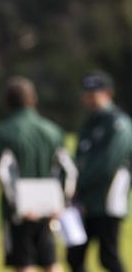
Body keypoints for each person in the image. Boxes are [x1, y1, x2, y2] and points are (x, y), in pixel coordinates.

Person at [0, 77, 73, 272]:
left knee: (23, 263)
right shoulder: (53, 130)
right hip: (49, 205)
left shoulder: (4, 131)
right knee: (50, 260)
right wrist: (61, 203)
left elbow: (4, 172)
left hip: (21, 209)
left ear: (7, 101)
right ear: (33, 98)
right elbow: (69, 170)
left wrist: (18, 205)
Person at [67, 72, 132, 272]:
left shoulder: (117, 123)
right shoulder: (89, 123)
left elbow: (108, 164)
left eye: (94, 93)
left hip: (106, 201)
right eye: (86, 93)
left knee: (108, 256)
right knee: (75, 255)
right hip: (84, 203)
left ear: (107, 94)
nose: (88, 98)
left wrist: (79, 184)